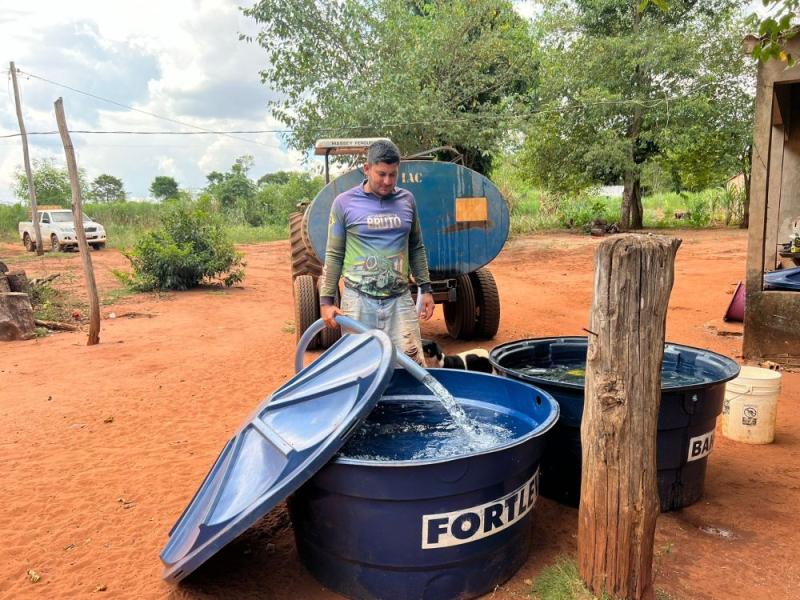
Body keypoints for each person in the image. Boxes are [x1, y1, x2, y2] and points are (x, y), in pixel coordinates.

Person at [319, 139, 435, 365]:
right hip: (358, 301)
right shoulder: (343, 203)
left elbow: (416, 246)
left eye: (393, 175)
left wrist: (426, 288)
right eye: (381, 174)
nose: (387, 181)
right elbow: (334, 254)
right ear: (367, 168)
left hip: (400, 299)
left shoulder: (407, 200)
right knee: (359, 368)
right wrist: (326, 301)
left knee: (410, 366)